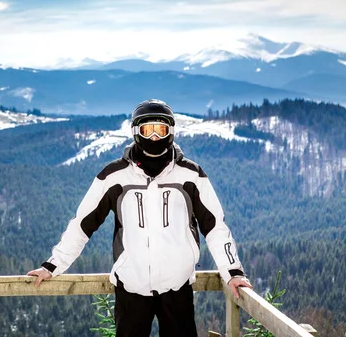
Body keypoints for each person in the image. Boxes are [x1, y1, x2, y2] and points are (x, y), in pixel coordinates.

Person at [27, 99, 252, 336]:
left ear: (171, 132)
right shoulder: (114, 176)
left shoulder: (191, 175)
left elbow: (215, 227)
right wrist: (53, 265)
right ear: (136, 132)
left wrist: (233, 272)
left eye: (161, 130)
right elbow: (82, 225)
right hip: (131, 289)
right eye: (148, 130)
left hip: (177, 289)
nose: (154, 137)